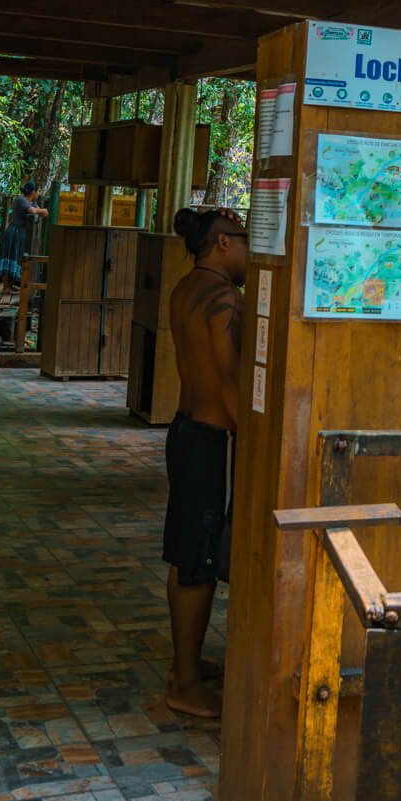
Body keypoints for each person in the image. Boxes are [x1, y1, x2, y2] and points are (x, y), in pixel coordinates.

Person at [163, 204, 248, 720]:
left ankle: (187, 662)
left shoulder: (184, 289)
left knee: (189, 556)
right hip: (210, 439)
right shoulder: (224, 302)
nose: (248, 252)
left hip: (184, 430)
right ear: (221, 243)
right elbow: (229, 382)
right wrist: (256, 439)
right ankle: (185, 680)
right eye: (242, 241)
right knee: (197, 564)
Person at [0, 181, 45, 286]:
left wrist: (42, 211)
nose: (39, 193)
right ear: (33, 192)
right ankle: (6, 287)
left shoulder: (31, 202)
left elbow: (38, 210)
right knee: (9, 257)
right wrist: (43, 211)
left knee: (16, 257)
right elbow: (32, 211)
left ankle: (10, 285)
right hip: (14, 232)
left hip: (20, 233)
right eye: (38, 191)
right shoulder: (21, 200)